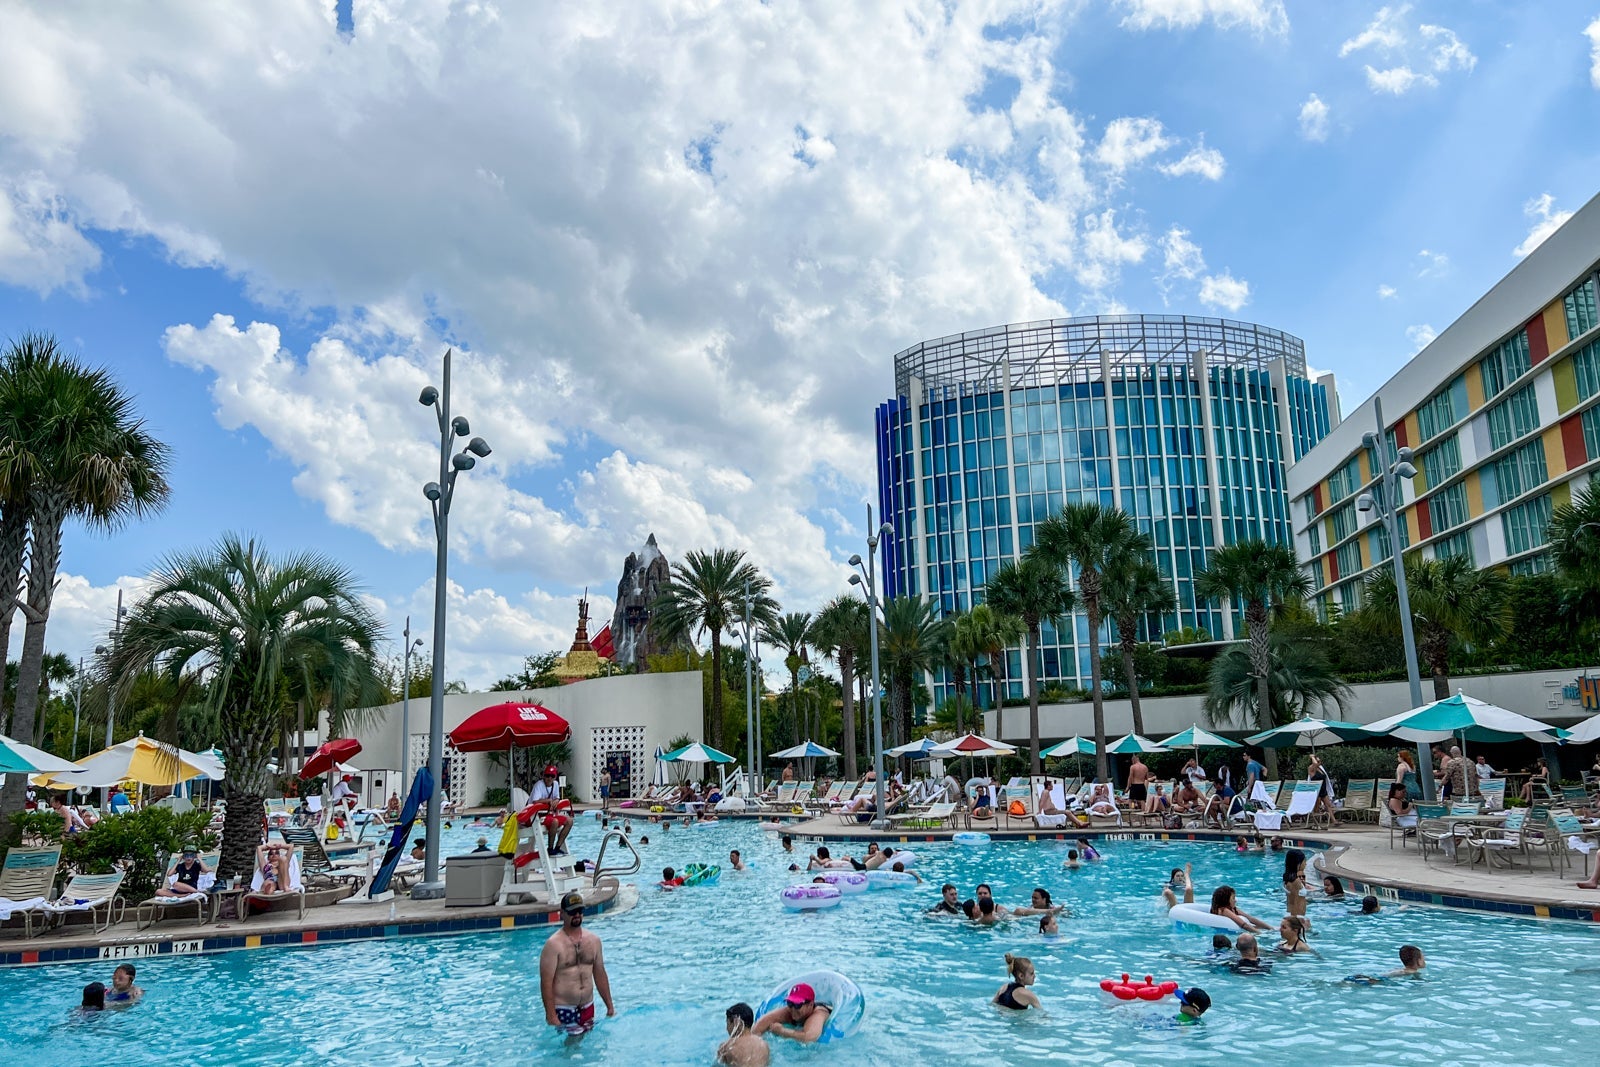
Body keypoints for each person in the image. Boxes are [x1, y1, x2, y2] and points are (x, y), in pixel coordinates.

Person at [539, 891, 615, 1036]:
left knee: (588, 1050)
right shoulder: (553, 945)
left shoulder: (594, 941)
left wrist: (609, 1006)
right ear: (562, 913)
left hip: (588, 1007)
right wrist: (551, 1015)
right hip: (564, 1009)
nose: (577, 915)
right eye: (573, 912)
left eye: (580, 911)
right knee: (570, 1050)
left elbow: (600, 974)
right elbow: (546, 983)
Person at [753, 981, 832, 1045]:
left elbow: (809, 1038)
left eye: (797, 1004)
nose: (793, 1009)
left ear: (810, 1005)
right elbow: (763, 1022)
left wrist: (782, 1031)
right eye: (790, 1003)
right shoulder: (789, 1010)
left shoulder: (819, 1014)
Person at [530, 765, 574, 856]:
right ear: (543, 776)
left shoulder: (556, 784)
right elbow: (535, 801)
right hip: (536, 816)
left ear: (555, 777)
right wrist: (549, 801)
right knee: (555, 822)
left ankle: (557, 847)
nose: (549, 778)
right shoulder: (539, 785)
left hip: (548, 814)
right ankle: (550, 849)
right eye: (547, 776)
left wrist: (556, 801)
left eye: (552, 776)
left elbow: (557, 798)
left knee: (569, 821)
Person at [717, 1002, 770, 1067]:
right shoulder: (764, 1044)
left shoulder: (726, 1047)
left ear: (736, 1023)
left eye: (728, 1023)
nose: (726, 1028)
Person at [1307, 754, 1338, 823]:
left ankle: (1334, 821)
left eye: (1320, 761)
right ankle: (1316, 822)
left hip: (1323, 790)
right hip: (1316, 790)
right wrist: (1312, 757)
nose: (1319, 762)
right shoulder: (1311, 768)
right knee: (1317, 807)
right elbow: (1315, 764)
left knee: (1328, 805)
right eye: (1318, 761)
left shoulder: (1321, 768)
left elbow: (1325, 778)